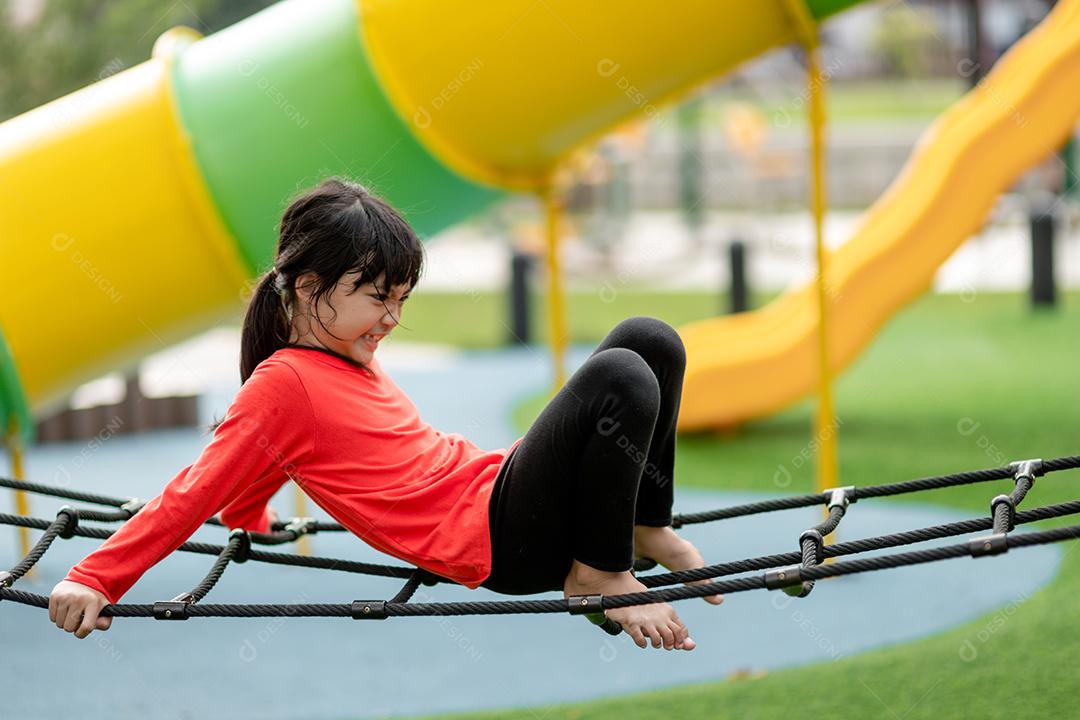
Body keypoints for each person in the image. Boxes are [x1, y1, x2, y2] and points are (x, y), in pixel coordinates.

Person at [48, 177, 722, 650]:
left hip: (499, 493)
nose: (392, 318)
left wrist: (249, 518)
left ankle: (642, 524)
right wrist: (94, 576)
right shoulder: (283, 385)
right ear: (309, 289)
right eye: (378, 298)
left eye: (401, 298)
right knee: (622, 377)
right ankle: (598, 574)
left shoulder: (339, 355)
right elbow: (194, 490)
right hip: (502, 541)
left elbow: (262, 462)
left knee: (650, 338)